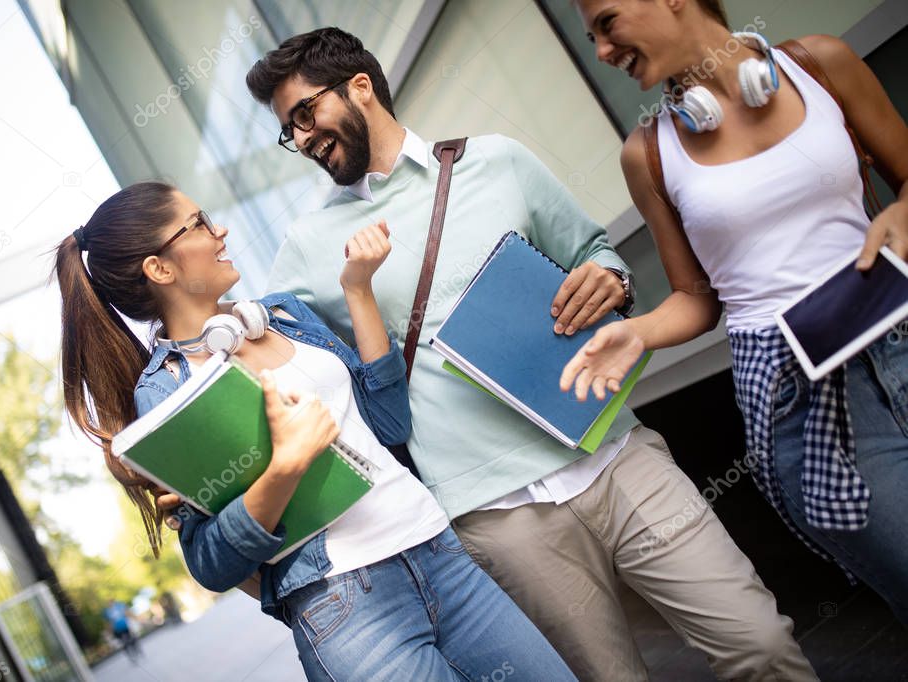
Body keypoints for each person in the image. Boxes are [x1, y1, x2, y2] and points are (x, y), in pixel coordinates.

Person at [226, 26, 817, 682]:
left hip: (613, 454)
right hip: (494, 516)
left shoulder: (496, 161)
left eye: (306, 114)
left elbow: (594, 252)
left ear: (360, 87)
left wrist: (610, 280)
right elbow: (266, 358)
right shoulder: (307, 247)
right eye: (290, 130)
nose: (302, 138)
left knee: (759, 643)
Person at [54, 182, 575, 681]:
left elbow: (391, 422)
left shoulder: (282, 314)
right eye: (200, 223)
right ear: (159, 267)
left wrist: (358, 289)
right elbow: (211, 563)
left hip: (437, 551)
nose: (222, 233)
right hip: (345, 607)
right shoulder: (167, 390)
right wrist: (286, 467)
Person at [566, 0, 908, 624]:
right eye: (590, 38)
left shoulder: (821, 63)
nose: (602, 53)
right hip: (799, 396)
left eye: (607, 24)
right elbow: (698, 299)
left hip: (898, 331)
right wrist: (636, 333)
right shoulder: (649, 153)